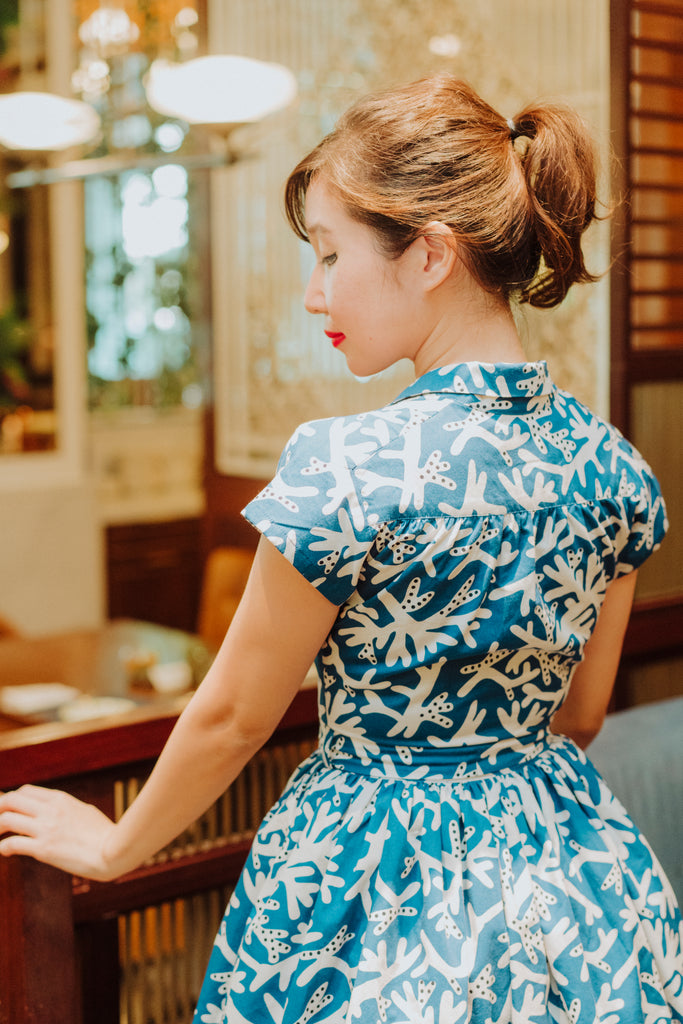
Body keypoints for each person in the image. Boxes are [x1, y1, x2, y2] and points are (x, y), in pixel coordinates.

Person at [0, 73, 681, 1024]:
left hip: (373, 878)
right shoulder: (612, 469)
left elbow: (237, 712)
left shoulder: (349, 465)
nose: (316, 291)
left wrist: (114, 848)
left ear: (432, 254)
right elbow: (580, 715)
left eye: (328, 254)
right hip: (569, 878)